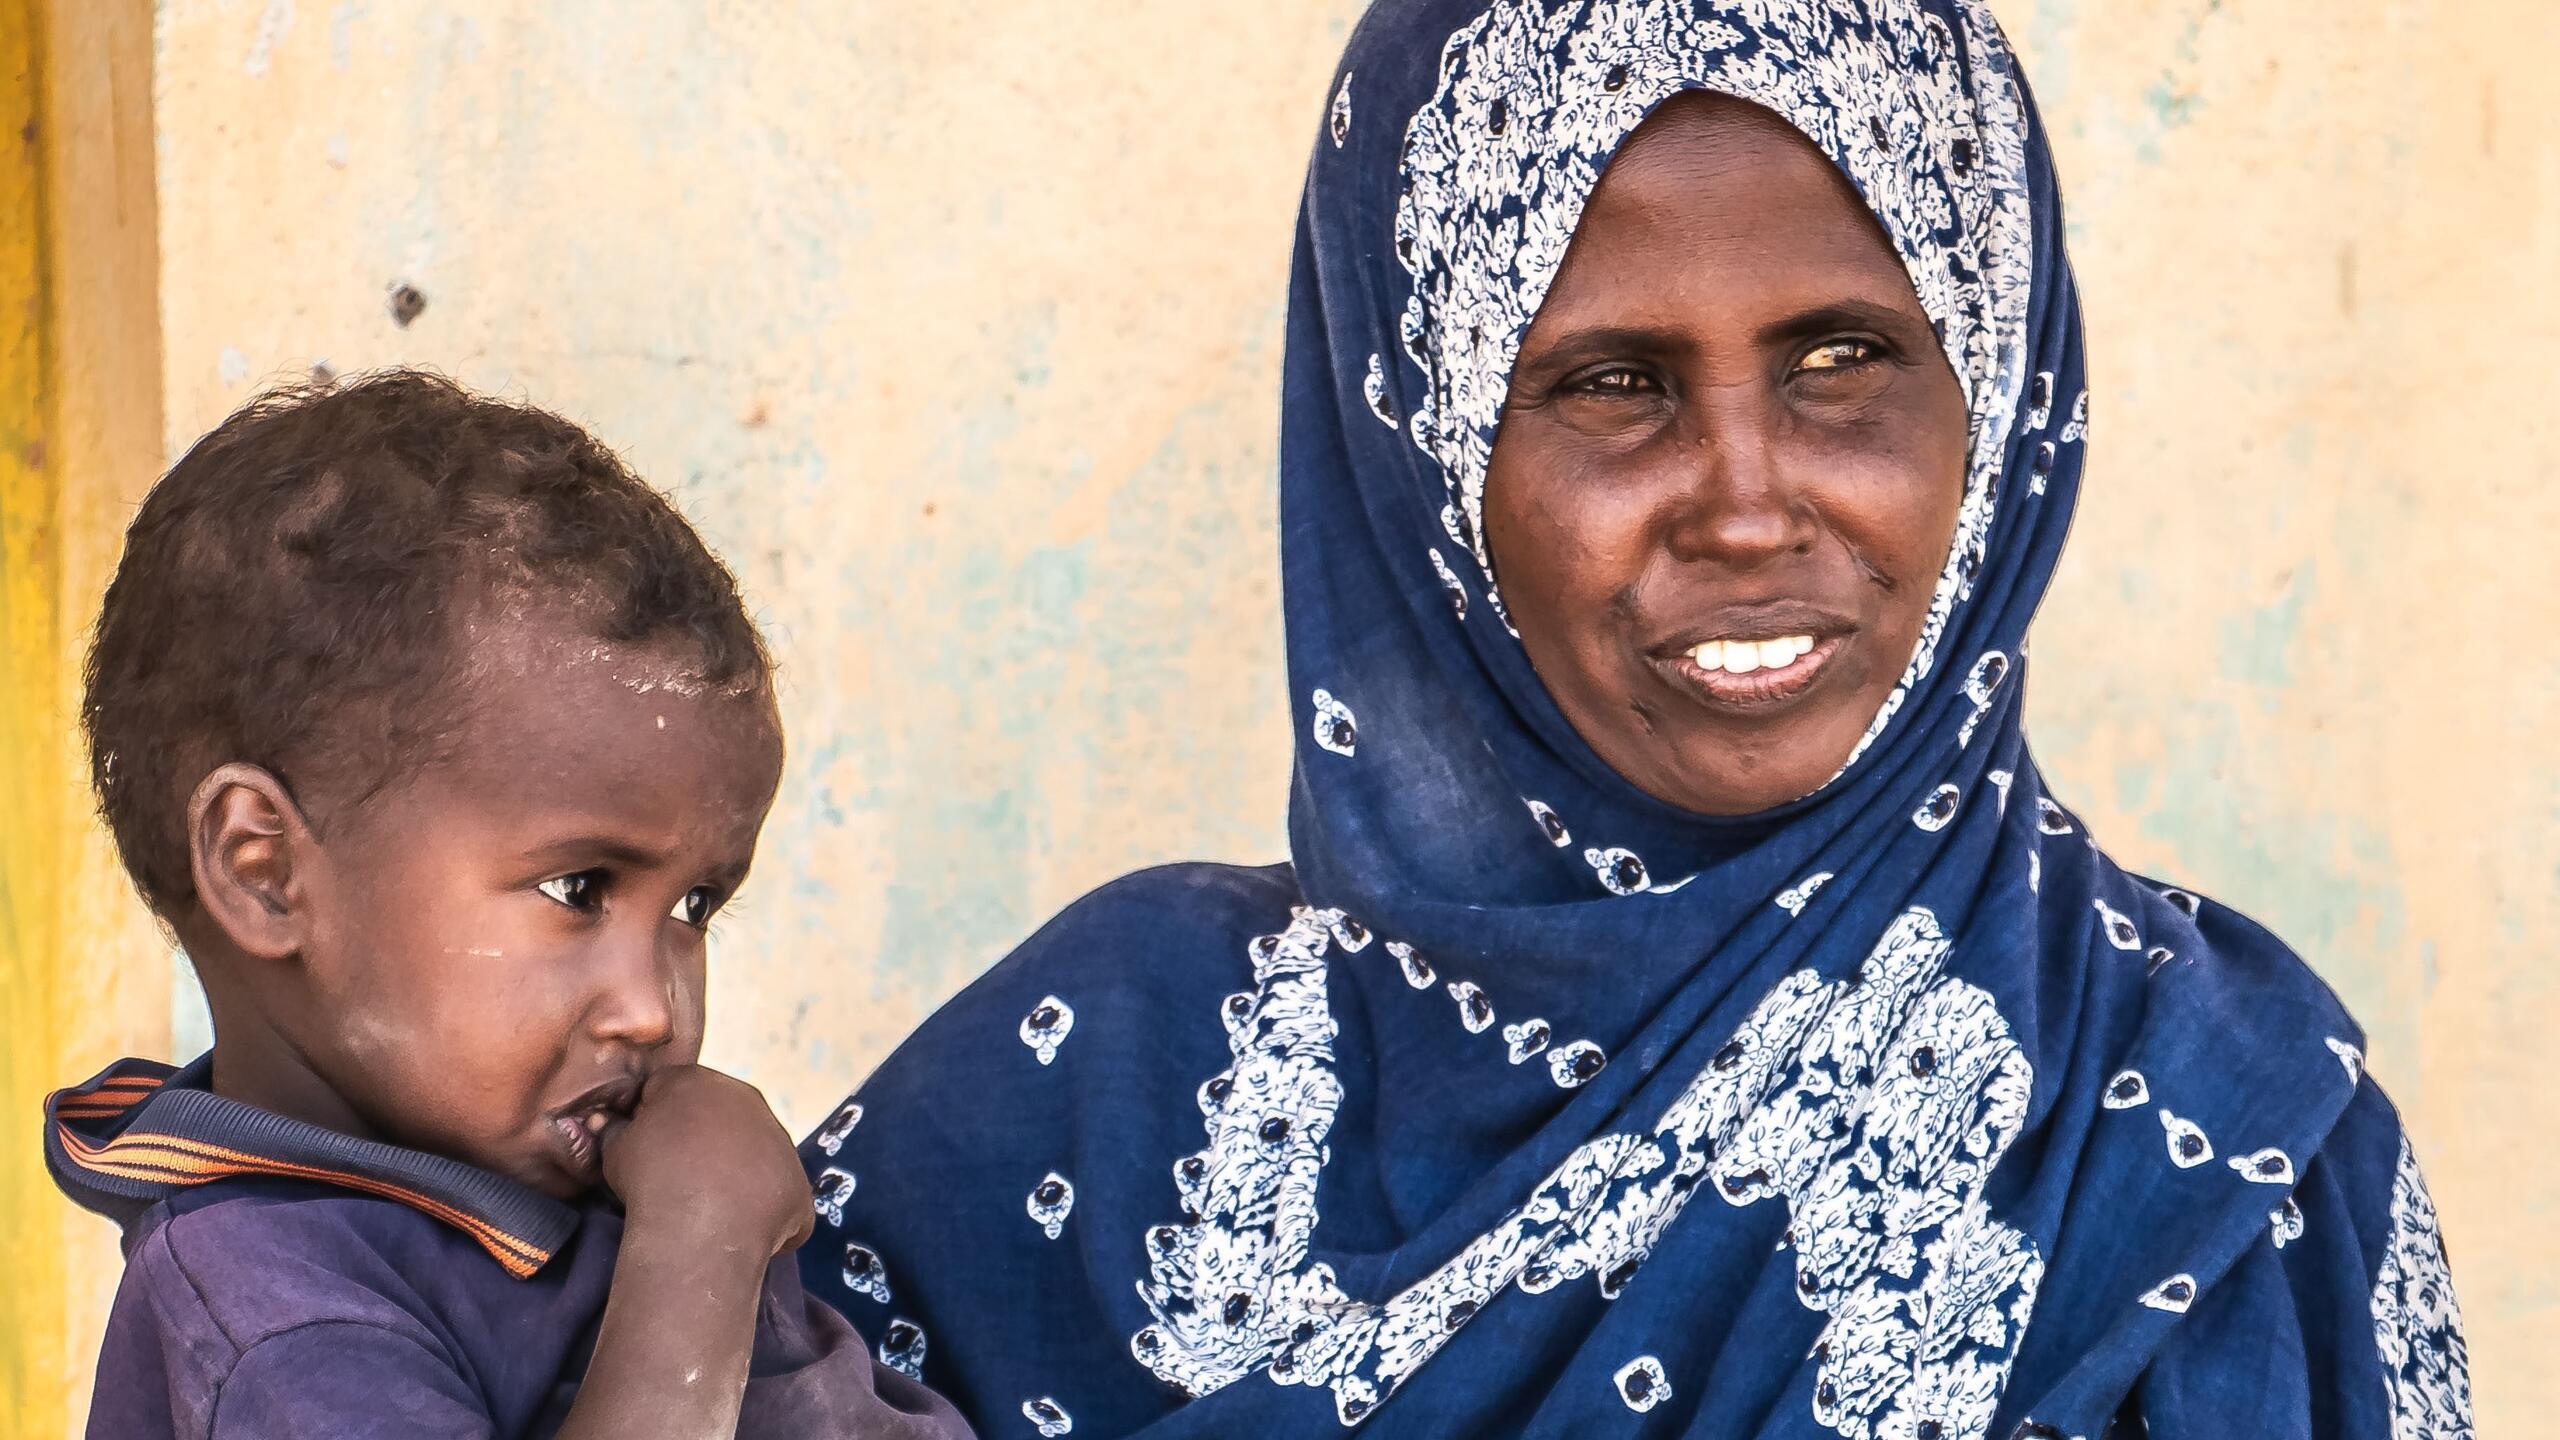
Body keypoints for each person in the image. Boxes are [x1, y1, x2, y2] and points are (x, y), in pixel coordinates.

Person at [796, 2, 2475, 1438]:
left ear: (1997, 403)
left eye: (1843, 357)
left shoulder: (2217, 1141)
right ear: (1427, 471)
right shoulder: (1118, 1074)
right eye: (1612, 384)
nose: (1746, 506)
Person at [46, 372, 973, 1440]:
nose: (653, 1011)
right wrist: (701, 1251)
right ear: (265, 871)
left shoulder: (542, 1180)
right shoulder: (280, 1318)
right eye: (579, 889)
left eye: (698, 906)